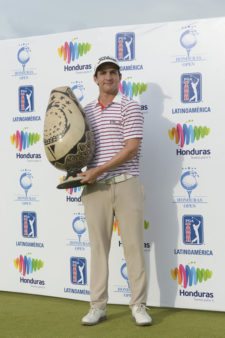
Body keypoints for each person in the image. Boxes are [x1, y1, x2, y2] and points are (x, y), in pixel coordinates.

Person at [79, 55, 152, 326]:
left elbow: (131, 147)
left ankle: (138, 305)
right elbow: (80, 149)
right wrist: (75, 170)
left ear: (119, 78)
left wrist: (97, 170)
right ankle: (98, 306)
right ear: (95, 78)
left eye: (113, 72)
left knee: (133, 246)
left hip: (126, 184)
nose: (108, 77)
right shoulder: (85, 111)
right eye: (103, 72)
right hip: (95, 189)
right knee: (98, 248)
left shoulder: (130, 106)